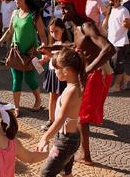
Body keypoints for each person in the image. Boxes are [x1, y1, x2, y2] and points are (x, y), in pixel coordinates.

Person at [39, 0, 116, 165]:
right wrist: (53, 49)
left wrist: (87, 69)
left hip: (97, 75)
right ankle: (82, 153)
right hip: (89, 74)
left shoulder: (87, 26)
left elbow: (109, 49)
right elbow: (75, 45)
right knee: (79, 114)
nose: (62, 11)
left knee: (82, 116)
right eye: (62, 8)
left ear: (75, 8)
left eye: (66, 8)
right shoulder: (75, 28)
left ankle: (86, 156)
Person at [0, 0, 48, 117]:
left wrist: (44, 47)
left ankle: (38, 100)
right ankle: (17, 107)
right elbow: (9, 32)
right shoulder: (15, 13)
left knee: (30, 79)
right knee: (16, 79)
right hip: (16, 52)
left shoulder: (34, 14)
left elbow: (42, 35)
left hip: (31, 53)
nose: (15, 0)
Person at [38, 47, 86, 177]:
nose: (54, 71)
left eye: (56, 69)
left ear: (67, 71)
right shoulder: (73, 86)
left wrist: (44, 138)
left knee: (45, 173)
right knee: (66, 173)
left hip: (66, 142)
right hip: (68, 139)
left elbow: (60, 120)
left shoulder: (72, 91)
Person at [39, 18, 68, 131]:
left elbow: (61, 60)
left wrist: (49, 55)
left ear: (63, 30)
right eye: (51, 31)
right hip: (52, 72)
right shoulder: (53, 43)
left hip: (62, 74)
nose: (53, 34)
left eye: (56, 31)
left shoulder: (66, 44)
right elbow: (49, 57)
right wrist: (43, 60)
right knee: (52, 97)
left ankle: (61, 120)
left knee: (62, 98)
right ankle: (51, 120)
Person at [103, 0, 130, 92]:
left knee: (118, 66)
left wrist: (126, 24)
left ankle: (117, 86)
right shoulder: (111, 10)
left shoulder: (124, 10)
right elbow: (104, 26)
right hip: (111, 42)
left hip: (121, 43)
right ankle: (123, 83)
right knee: (113, 65)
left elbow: (128, 25)